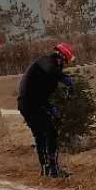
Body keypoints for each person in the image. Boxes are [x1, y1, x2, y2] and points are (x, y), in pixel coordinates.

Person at [18, 43, 75, 178]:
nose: (65, 65)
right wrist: (65, 79)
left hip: (34, 104)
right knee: (50, 133)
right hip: (29, 105)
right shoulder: (45, 61)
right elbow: (51, 70)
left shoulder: (50, 76)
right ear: (60, 57)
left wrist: (51, 108)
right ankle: (53, 169)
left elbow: (41, 94)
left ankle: (46, 169)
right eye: (66, 62)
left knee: (41, 135)